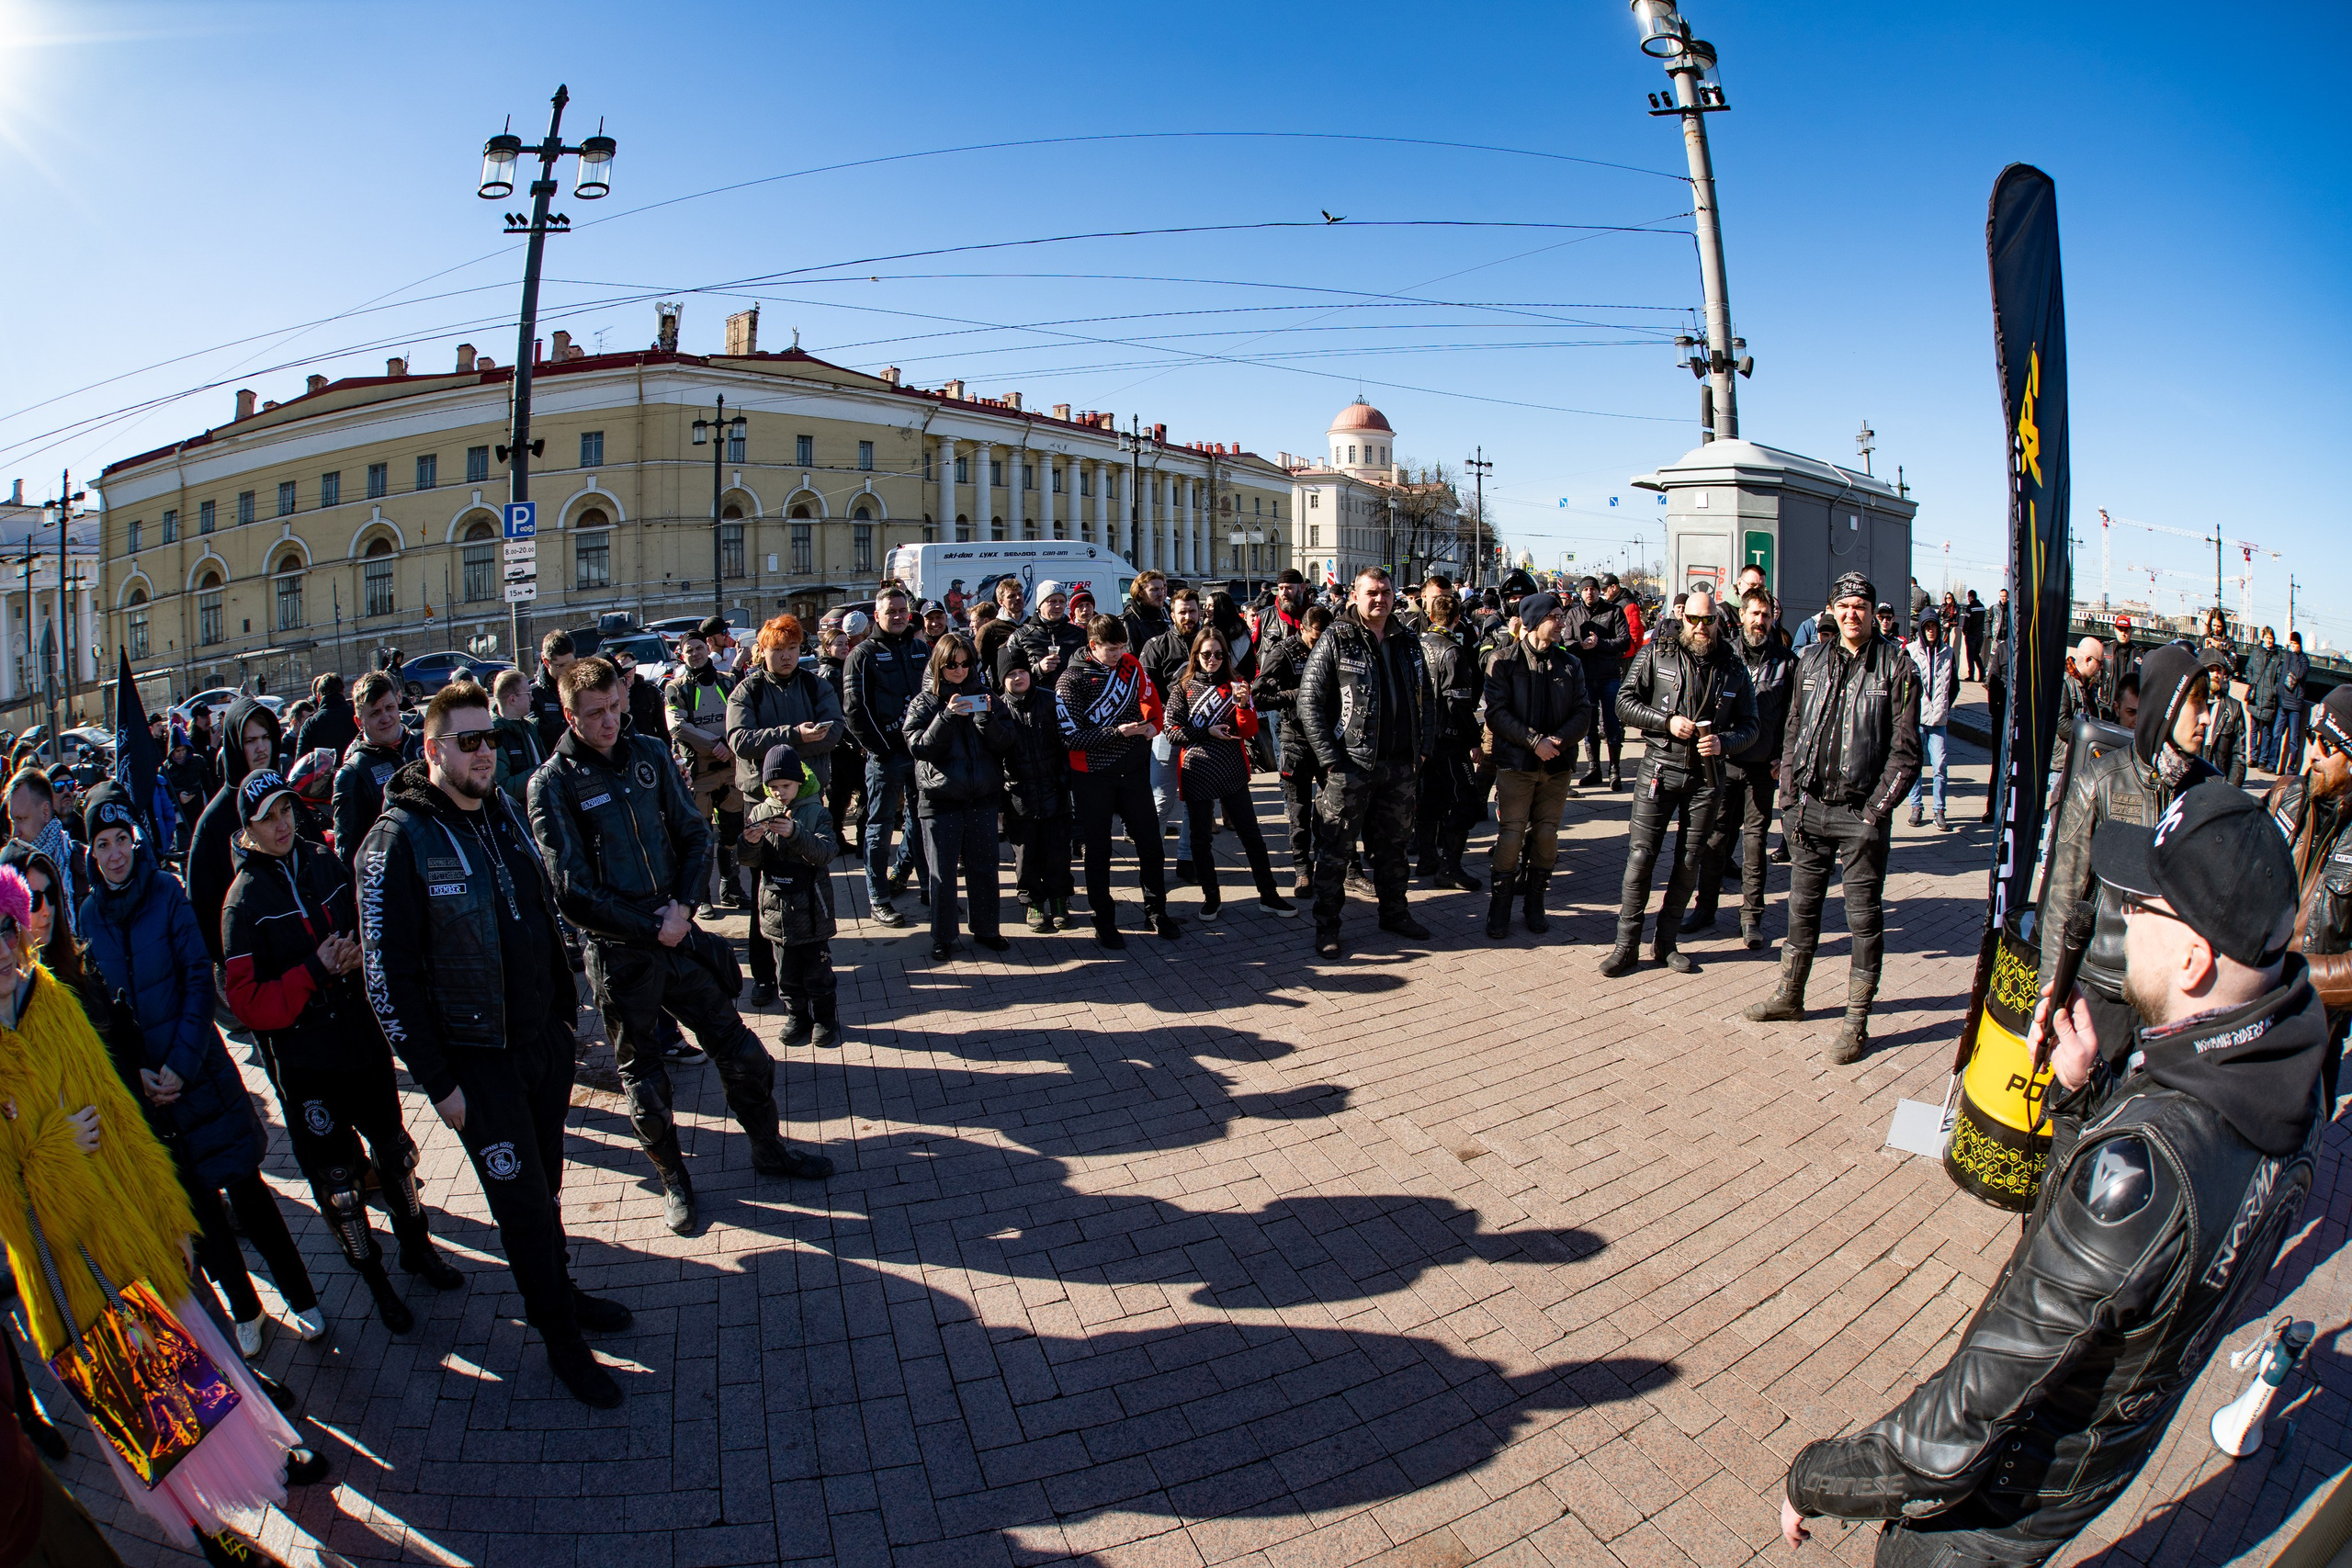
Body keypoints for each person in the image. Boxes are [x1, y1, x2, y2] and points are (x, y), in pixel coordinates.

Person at [1781, 781, 2326, 1568]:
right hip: (2087, 1472)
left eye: (2143, 906)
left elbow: (1955, 1431)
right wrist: (2087, 1094)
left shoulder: (2144, 1169)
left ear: (2195, 957)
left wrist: (1813, 1477)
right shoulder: (2285, 1080)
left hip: (1990, 1511)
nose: (2122, 916)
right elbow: (2137, 1280)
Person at [0, 860, 325, 1556]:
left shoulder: (50, 996)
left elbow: (118, 1118)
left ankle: (265, 1462)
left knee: (197, 1365)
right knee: (138, 1406)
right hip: (67, 1268)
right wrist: (55, 1149)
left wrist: (167, 1214)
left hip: (127, 1231)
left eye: (5, 926)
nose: (0, 947)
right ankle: (208, 1530)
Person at [358, 684, 636, 1407]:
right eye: (468, 741)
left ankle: (562, 1291)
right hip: (476, 1065)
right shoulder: (397, 840)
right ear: (432, 749)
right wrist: (438, 1083)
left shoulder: (501, 808)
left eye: (490, 739)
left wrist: (563, 1019)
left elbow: (537, 910)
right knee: (519, 1207)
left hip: (541, 1044)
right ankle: (561, 1341)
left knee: (545, 1188)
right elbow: (389, 981)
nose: (484, 752)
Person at [531, 658, 831, 1234]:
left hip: (678, 931)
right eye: (594, 714)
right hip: (621, 954)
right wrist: (650, 927)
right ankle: (676, 1181)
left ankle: (769, 1151)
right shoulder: (552, 784)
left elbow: (692, 834)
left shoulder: (647, 754)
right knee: (645, 1081)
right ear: (570, 715)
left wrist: (684, 909)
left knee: (744, 1054)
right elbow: (570, 890)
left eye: (615, 707)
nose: (609, 722)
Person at [76, 784, 323, 1360]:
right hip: (154, 1100)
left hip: (200, 1076)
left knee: (249, 1193)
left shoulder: (166, 891)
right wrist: (139, 1074)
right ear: (91, 853)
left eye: (121, 840)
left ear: (135, 840)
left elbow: (195, 980)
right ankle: (246, 1310)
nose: (114, 854)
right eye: (102, 844)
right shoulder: (89, 914)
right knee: (203, 1213)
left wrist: (179, 1067)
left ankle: (302, 1295)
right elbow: (103, 1015)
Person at [220, 769, 461, 1333]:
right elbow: (247, 1003)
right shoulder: (242, 903)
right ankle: (375, 1281)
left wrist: (357, 953)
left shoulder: (324, 861)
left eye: (286, 812)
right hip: (308, 1066)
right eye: (268, 820)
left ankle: (417, 1249)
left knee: (397, 1157)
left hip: (362, 1043)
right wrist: (312, 970)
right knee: (341, 1189)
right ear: (248, 830)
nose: (282, 826)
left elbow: (366, 924)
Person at [1744, 572, 1921, 1063]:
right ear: (1832, 609)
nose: (1851, 614)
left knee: (1863, 920)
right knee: (1802, 909)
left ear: (1873, 610)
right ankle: (1790, 995)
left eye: (1860, 606)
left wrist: (1873, 814)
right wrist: (1789, 798)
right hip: (1809, 809)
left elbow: (1905, 755)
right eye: (1843, 606)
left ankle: (1855, 1021)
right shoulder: (1812, 660)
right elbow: (1794, 730)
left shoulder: (1897, 667)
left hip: (1860, 813)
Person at [2033, 642, 2216, 1066]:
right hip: (2102, 991)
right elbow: (2062, 900)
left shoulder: (2209, 793)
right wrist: (2049, 1005)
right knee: (2074, 1114)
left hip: (2170, 999)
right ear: (2167, 707)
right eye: (2197, 704)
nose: (2208, 717)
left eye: (2210, 704)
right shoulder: (2099, 782)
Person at [1602, 586, 1758, 976]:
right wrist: (1665, 721)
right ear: (1682, 618)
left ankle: (1666, 943)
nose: (1700, 627)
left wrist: (1725, 742)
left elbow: (1752, 726)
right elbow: (1624, 702)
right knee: (1641, 857)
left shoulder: (1734, 667)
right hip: (1659, 767)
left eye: (1708, 620)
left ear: (1719, 622)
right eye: (1693, 619)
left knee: (1689, 861)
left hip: (1707, 778)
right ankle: (1626, 945)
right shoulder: (1657, 652)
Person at [1298, 568, 1432, 960]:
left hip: (1400, 766)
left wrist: (1423, 747)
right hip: (1350, 765)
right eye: (1371, 593)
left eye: (1386, 592)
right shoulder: (1337, 638)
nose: (1380, 599)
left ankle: (1395, 913)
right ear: (1354, 596)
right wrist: (1329, 760)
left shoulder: (1407, 640)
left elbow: (1428, 698)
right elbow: (1309, 702)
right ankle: (1328, 927)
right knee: (1335, 852)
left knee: (1394, 847)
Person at [725, 615, 842, 999]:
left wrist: (787, 746)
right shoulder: (748, 691)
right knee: (765, 888)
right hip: (761, 802)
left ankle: (814, 971)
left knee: (811, 880)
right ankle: (765, 976)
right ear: (764, 652)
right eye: (779, 650)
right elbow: (740, 740)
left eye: (793, 649)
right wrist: (796, 736)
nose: (787, 656)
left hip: (809, 800)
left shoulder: (815, 684)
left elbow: (835, 731)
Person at [1056, 615, 1179, 949]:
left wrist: (1153, 725)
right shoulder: (1070, 679)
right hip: (1092, 775)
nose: (1119, 654)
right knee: (1099, 852)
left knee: (1152, 845)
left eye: (1122, 646)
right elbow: (1069, 737)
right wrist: (1115, 732)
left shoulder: (1130, 664)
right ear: (1093, 646)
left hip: (1134, 769)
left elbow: (1152, 703)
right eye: (1112, 649)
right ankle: (1104, 920)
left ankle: (1156, 911)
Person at [1479, 591, 1590, 939]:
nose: (1562, 622)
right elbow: (1496, 713)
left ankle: (1535, 903)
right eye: (1555, 616)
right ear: (1532, 621)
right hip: (1516, 764)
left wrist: (1556, 741)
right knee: (1511, 836)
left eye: (1561, 616)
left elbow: (1584, 711)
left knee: (1546, 834)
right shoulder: (1504, 660)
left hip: (1556, 764)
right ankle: (1500, 908)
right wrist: (1532, 742)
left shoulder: (1570, 663)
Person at [1690, 588, 1795, 948]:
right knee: (1715, 838)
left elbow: (1792, 717)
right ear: (1743, 615)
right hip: (1724, 761)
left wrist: (1784, 755)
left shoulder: (1786, 662)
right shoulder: (1727, 655)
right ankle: (1705, 909)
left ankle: (1752, 917)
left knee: (1755, 842)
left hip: (1763, 768)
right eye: (1754, 614)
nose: (1760, 621)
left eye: (1766, 615)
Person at [1167, 627, 1294, 919]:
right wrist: (1206, 731)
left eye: (1218, 654)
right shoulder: (1183, 688)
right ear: (1196, 655)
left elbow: (1248, 731)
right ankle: (1211, 897)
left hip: (1231, 769)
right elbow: (1172, 731)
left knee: (1251, 835)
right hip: (1196, 769)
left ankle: (1269, 895)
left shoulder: (1236, 684)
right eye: (1206, 653)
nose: (1212, 659)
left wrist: (1242, 704)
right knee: (1200, 840)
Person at [902, 632, 1013, 963]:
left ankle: (986, 929)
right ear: (939, 664)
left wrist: (986, 719)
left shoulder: (986, 695)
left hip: (981, 797)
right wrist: (947, 716)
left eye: (966, 664)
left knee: (984, 867)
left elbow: (1007, 743)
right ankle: (943, 936)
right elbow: (919, 747)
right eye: (952, 665)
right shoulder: (925, 701)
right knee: (942, 873)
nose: (959, 670)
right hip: (940, 799)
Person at [2267, 684, 2352, 1105]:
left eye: (2328, 745)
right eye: (2311, 739)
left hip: (2313, 1037)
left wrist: (2290, 974)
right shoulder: (2283, 797)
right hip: (2248, 1017)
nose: (2313, 753)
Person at [737, 743, 842, 1049]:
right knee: (787, 975)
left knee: (818, 972)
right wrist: (750, 843)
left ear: (799, 781)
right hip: (775, 910)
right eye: (773, 787)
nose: (779, 792)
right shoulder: (760, 811)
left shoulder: (817, 812)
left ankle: (825, 1017)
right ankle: (797, 1016)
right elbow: (750, 862)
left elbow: (825, 853)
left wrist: (794, 833)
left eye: (785, 785)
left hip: (812, 910)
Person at [842, 584, 931, 929]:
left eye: (901, 610)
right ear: (876, 616)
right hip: (885, 758)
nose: (896, 616)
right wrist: (884, 749)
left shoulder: (921, 649)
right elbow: (854, 712)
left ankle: (928, 889)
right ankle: (878, 898)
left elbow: (935, 697)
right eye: (889, 611)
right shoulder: (861, 655)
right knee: (878, 830)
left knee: (923, 822)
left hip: (922, 756)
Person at [187, 694, 284, 972]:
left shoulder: (285, 798)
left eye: (265, 737)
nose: (261, 748)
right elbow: (203, 910)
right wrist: (233, 963)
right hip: (252, 970)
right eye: (250, 741)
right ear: (233, 746)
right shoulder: (213, 822)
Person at [665, 620, 745, 919]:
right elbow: (676, 726)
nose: (696, 653)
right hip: (699, 777)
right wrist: (715, 744)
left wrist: (729, 743)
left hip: (731, 771)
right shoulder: (676, 688)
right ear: (681, 654)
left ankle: (731, 886)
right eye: (690, 650)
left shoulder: (727, 681)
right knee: (699, 838)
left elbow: (743, 716)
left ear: (707, 649)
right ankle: (702, 897)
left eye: (699, 648)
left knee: (731, 834)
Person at [1254, 604, 1332, 902]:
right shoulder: (1284, 652)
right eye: (1315, 639)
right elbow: (1258, 696)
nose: (1319, 645)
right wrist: (1297, 694)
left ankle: (1340, 866)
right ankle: (1303, 870)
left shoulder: (1331, 648)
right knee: (1299, 811)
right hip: (1295, 741)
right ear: (1302, 630)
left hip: (1326, 740)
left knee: (1334, 808)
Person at [997, 645, 1073, 931]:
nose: (1018, 678)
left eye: (1022, 672)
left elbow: (1067, 741)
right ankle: (1031, 902)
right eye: (1011, 674)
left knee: (1057, 853)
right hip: (1019, 797)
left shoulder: (1050, 700)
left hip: (1055, 792)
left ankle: (1059, 900)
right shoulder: (997, 708)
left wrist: (1065, 779)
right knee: (1026, 857)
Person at [1142, 590, 1209, 871]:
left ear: (1200, 612)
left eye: (1192, 611)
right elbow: (1145, 691)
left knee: (1197, 801)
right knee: (1160, 800)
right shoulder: (1157, 645)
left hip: (1203, 732)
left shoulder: (1210, 643)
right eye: (1182, 612)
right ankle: (1152, 862)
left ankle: (1187, 858)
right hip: (1167, 731)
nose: (1188, 617)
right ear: (1172, 614)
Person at [332, 671, 419, 880]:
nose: (386, 717)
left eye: (389, 708)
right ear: (358, 721)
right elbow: (349, 854)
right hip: (394, 881)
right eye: (375, 713)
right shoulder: (352, 773)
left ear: (398, 702)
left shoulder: (424, 743)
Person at [1564, 577, 1632, 791]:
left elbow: (1625, 641)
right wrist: (1581, 645)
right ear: (1581, 593)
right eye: (1585, 590)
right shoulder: (1574, 614)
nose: (1589, 593)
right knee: (1589, 724)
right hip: (1584, 676)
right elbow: (1566, 643)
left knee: (1611, 723)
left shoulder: (1613, 612)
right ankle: (1594, 769)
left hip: (1609, 675)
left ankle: (1615, 770)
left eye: (1593, 589)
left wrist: (1599, 643)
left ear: (1598, 592)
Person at [5, 772, 84, 941]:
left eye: (22, 819)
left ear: (46, 812)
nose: (15, 833)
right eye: (12, 822)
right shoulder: (9, 876)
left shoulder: (83, 861)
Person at [818, 611, 867, 855]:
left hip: (837, 745)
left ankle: (837, 840)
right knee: (863, 790)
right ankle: (861, 841)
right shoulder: (833, 673)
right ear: (827, 648)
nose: (844, 647)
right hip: (843, 746)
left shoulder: (840, 669)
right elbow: (841, 712)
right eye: (838, 644)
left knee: (839, 796)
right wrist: (857, 740)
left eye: (846, 643)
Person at [1905, 617, 1958, 829]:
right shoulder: (1910, 650)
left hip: (1938, 722)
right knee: (1916, 766)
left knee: (1940, 767)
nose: (1930, 631)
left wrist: (1944, 706)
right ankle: (1916, 807)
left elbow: (1954, 686)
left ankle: (1939, 810)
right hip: (1917, 720)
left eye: (1933, 627)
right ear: (1921, 630)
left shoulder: (1949, 653)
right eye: (1926, 627)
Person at [489, 668, 547, 807]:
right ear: (512, 699)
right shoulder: (493, 735)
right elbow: (503, 788)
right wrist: (542, 772)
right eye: (527, 693)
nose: (532, 698)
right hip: (518, 815)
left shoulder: (530, 727)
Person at [2199, 649, 2252, 787]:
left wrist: (2230, 789)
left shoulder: (2234, 708)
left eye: (2219, 670)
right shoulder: (2189, 703)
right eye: (2211, 669)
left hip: (2218, 784)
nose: (2216, 674)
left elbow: (2239, 756)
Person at [2244, 626, 2283, 772]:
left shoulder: (2277, 657)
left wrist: (2273, 691)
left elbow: (2279, 677)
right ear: (2263, 638)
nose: (2269, 640)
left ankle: (2262, 759)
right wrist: (2251, 680)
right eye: (2267, 637)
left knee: (2266, 731)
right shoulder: (2256, 653)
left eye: (2271, 638)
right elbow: (2248, 668)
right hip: (2256, 696)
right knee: (2254, 729)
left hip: (2268, 699)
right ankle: (2253, 757)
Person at [528, 630, 575, 749]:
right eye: (561, 666)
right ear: (546, 662)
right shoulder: (532, 695)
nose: (567, 670)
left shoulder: (581, 686)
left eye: (571, 664)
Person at [297, 671, 358, 758]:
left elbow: (302, 762)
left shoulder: (310, 725)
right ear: (343, 692)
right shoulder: (356, 716)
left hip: (324, 770)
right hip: (356, 768)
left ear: (318, 697)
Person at [976, 577, 1024, 673]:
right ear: (1001, 602)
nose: (1018, 598)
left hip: (1035, 687)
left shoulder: (1034, 624)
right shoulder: (989, 630)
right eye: (1012, 596)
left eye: (1020, 594)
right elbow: (978, 668)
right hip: (1001, 687)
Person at [2278, 631, 2312, 768]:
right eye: (2291, 643)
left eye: (2295, 643)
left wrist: (2297, 656)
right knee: (2276, 734)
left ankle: (2291, 768)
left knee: (2293, 738)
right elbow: (2282, 675)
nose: (2292, 646)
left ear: (2299, 644)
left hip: (2296, 705)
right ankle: (2273, 764)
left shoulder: (2303, 659)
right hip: (2284, 701)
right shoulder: (2288, 656)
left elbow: (2298, 674)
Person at [2057, 636, 2106, 728]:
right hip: (2071, 741)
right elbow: (2060, 723)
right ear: (2088, 660)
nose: (2101, 667)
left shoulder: (2090, 686)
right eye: (2100, 663)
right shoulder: (2064, 682)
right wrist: (2086, 736)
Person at [1122, 570, 1170, 655]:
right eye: (1154, 590)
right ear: (1140, 593)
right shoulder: (1129, 621)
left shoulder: (1164, 614)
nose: (1160, 594)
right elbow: (1129, 657)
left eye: (1162, 589)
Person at [1961, 590, 1986, 681]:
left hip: (1971, 634)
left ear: (1970, 597)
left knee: (1970, 656)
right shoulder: (1982, 607)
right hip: (1980, 635)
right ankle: (1982, 673)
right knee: (1976, 655)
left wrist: (1964, 630)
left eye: (1968, 597)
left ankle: (1971, 675)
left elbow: (1967, 621)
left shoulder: (1970, 607)